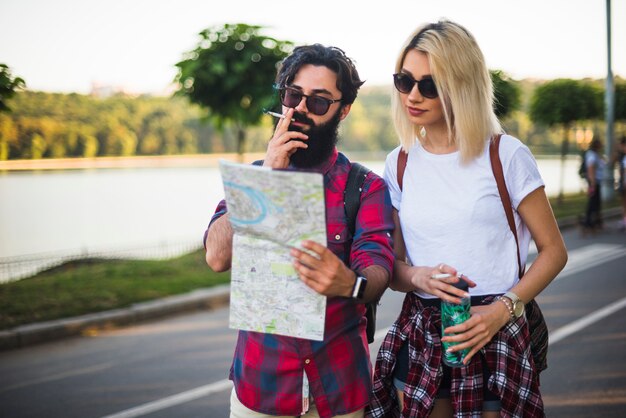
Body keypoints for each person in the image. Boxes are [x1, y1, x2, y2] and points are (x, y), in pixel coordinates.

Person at [366, 20, 568, 417]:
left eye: (430, 84)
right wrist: (418, 277)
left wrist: (502, 311)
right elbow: (394, 266)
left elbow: (554, 251)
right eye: (405, 80)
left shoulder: (505, 154)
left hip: (495, 330)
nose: (413, 95)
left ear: (461, 86)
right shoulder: (400, 163)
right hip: (423, 331)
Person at [204, 44, 395, 418]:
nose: (302, 109)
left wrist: (348, 283)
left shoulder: (364, 186)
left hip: (338, 386)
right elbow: (216, 257)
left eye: (320, 101)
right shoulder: (254, 178)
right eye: (294, 96)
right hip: (261, 385)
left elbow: (379, 270)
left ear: (344, 109)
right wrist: (266, 177)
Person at [582, 138, 607, 234]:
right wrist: (592, 184)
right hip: (594, 182)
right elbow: (590, 168)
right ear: (596, 145)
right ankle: (588, 222)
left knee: (596, 203)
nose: (602, 146)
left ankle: (596, 222)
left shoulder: (595, 154)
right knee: (592, 203)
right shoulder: (592, 155)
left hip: (596, 182)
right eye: (600, 144)